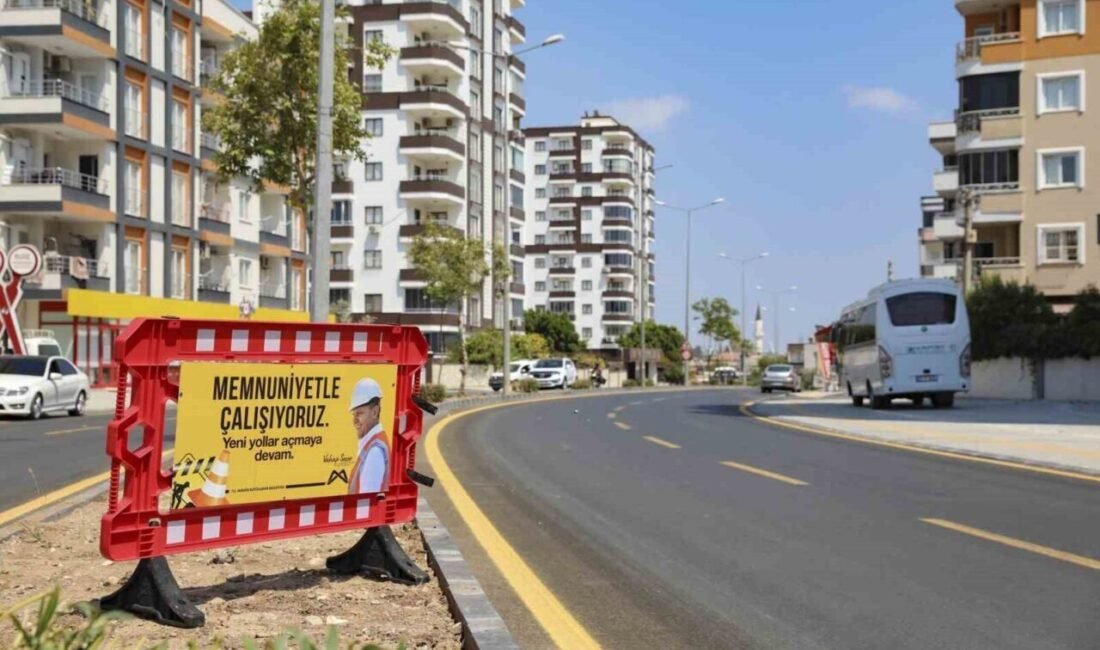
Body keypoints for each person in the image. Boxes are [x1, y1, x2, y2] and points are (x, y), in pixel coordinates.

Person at [348, 377, 390, 495]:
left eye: (360, 413)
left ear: (374, 412)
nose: (355, 420)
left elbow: (366, 501)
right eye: (354, 414)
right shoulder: (369, 444)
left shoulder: (374, 451)